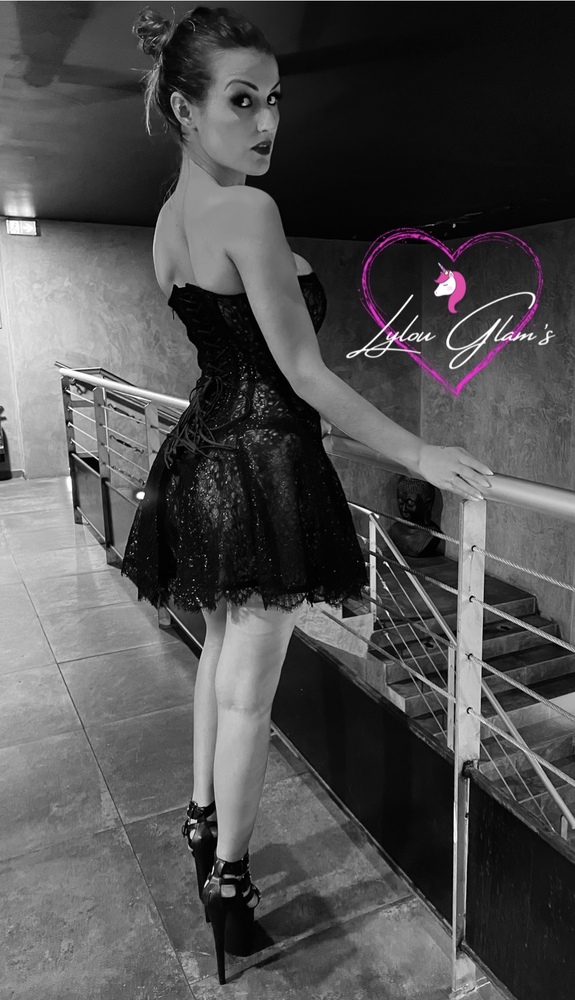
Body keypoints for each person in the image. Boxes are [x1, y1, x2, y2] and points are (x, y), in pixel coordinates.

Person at [121, 5, 494, 985]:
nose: (267, 122)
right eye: (242, 101)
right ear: (185, 108)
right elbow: (303, 372)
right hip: (260, 472)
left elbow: (228, 357)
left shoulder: (168, 222)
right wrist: (417, 450)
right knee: (249, 696)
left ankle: (201, 822)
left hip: (200, 455)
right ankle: (230, 885)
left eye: (274, 100)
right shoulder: (247, 213)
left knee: (217, 661)